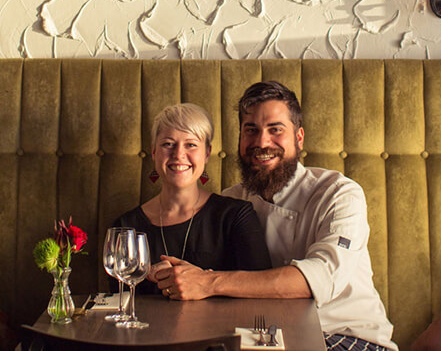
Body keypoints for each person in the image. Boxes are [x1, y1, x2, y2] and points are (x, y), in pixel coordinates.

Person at [152, 82, 398, 351]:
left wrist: (209, 282)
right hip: (266, 339)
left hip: (345, 334)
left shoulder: (338, 193)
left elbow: (321, 278)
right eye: (251, 130)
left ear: (299, 138)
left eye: (275, 129)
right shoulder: (231, 201)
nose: (261, 142)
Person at [113, 103, 271, 295]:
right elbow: (119, 302)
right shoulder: (126, 226)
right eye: (168, 144)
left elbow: (261, 290)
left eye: (191, 145)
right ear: (154, 152)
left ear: (206, 153)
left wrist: (206, 281)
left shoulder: (236, 215)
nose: (178, 154)